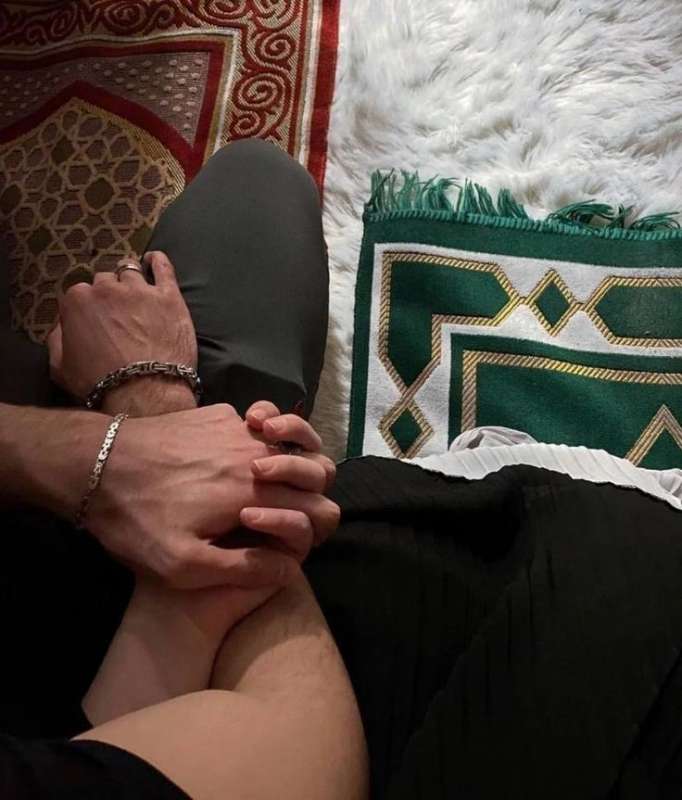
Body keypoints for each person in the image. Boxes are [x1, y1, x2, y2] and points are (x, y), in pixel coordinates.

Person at [2, 138, 682, 800]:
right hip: (326, 656)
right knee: (256, 192)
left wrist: (112, 453)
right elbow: (294, 768)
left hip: (130, 639)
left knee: (255, 183)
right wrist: (161, 414)